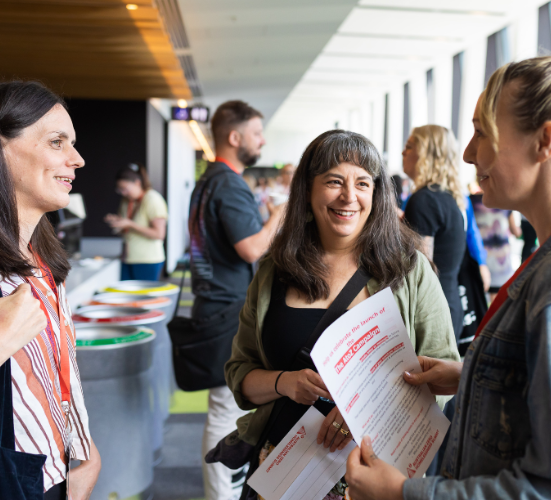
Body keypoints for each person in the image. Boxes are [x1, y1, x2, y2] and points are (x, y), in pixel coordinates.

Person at [345, 49, 551, 499]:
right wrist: (474, 373)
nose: (471, 153)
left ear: (545, 142)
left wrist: (401, 493)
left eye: (482, 133)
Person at [224, 130, 461, 499]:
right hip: (282, 471)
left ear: (376, 193)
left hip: (373, 477)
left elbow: (443, 371)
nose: (349, 196)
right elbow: (240, 374)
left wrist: (365, 414)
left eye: (362, 183)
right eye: (334, 181)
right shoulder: (275, 270)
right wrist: (284, 382)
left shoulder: (407, 269)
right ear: (307, 189)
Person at [0, 81, 100, 499]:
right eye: (56, 142)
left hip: (51, 480)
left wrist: (84, 456)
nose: (76, 159)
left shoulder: (41, 262)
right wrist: (3, 340)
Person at [188, 100, 285, 500]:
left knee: (223, 408)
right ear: (234, 136)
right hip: (227, 308)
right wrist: (280, 213)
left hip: (213, 303)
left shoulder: (208, 180)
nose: (262, 141)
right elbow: (250, 248)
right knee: (225, 409)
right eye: (257, 133)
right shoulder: (228, 183)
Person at [401, 125, 467, 338]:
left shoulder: (423, 200)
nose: (403, 152)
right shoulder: (445, 197)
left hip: (432, 313)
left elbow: (421, 269)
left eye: (410, 147)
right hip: (448, 302)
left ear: (426, 154)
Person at [105, 163, 169, 281]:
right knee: (126, 297)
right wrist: (117, 221)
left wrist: (130, 224)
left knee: (143, 298)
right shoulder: (126, 201)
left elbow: (159, 234)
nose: (123, 193)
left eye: (125, 189)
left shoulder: (153, 199)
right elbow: (126, 226)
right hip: (127, 258)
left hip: (147, 260)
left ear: (137, 183)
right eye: (120, 190)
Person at [470, 194, 521, 296]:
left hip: (481, 257)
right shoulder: (505, 200)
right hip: (500, 260)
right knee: (499, 297)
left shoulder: (472, 201)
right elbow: (515, 231)